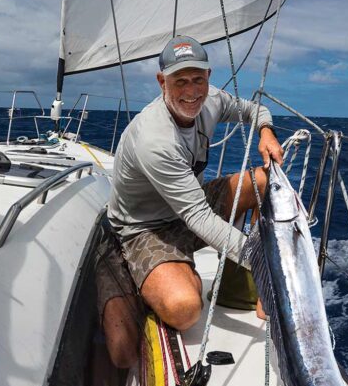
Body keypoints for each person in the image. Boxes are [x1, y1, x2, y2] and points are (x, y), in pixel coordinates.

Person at [107, 35, 283, 332]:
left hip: (190, 206)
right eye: (180, 81)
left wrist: (266, 132)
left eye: (197, 80)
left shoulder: (212, 99)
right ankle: (158, 272)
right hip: (145, 229)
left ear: (208, 77)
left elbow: (254, 109)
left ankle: (247, 289)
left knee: (265, 182)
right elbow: (198, 216)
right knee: (185, 310)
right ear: (162, 82)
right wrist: (268, 266)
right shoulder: (154, 139)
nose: (191, 92)